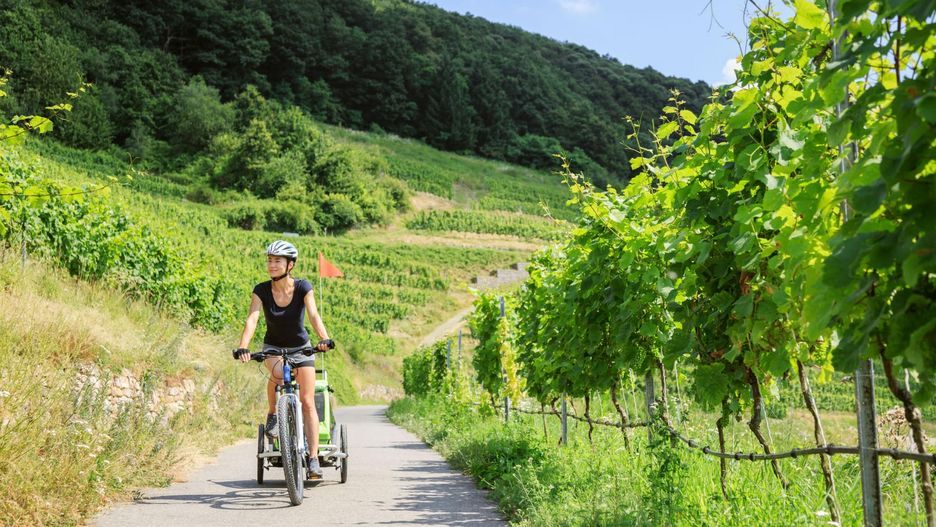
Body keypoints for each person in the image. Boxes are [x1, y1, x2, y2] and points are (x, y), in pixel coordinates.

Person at [233, 240, 333, 479]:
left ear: (290, 265)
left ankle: (312, 459)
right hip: (273, 347)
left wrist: (324, 339)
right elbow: (252, 319)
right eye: (269, 260)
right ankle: (273, 413)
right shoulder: (261, 290)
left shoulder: (303, 287)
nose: (271, 265)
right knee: (277, 374)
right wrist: (243, 346)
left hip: (301, 347)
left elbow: (313, 314)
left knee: (308, 402)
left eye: (277, 261)